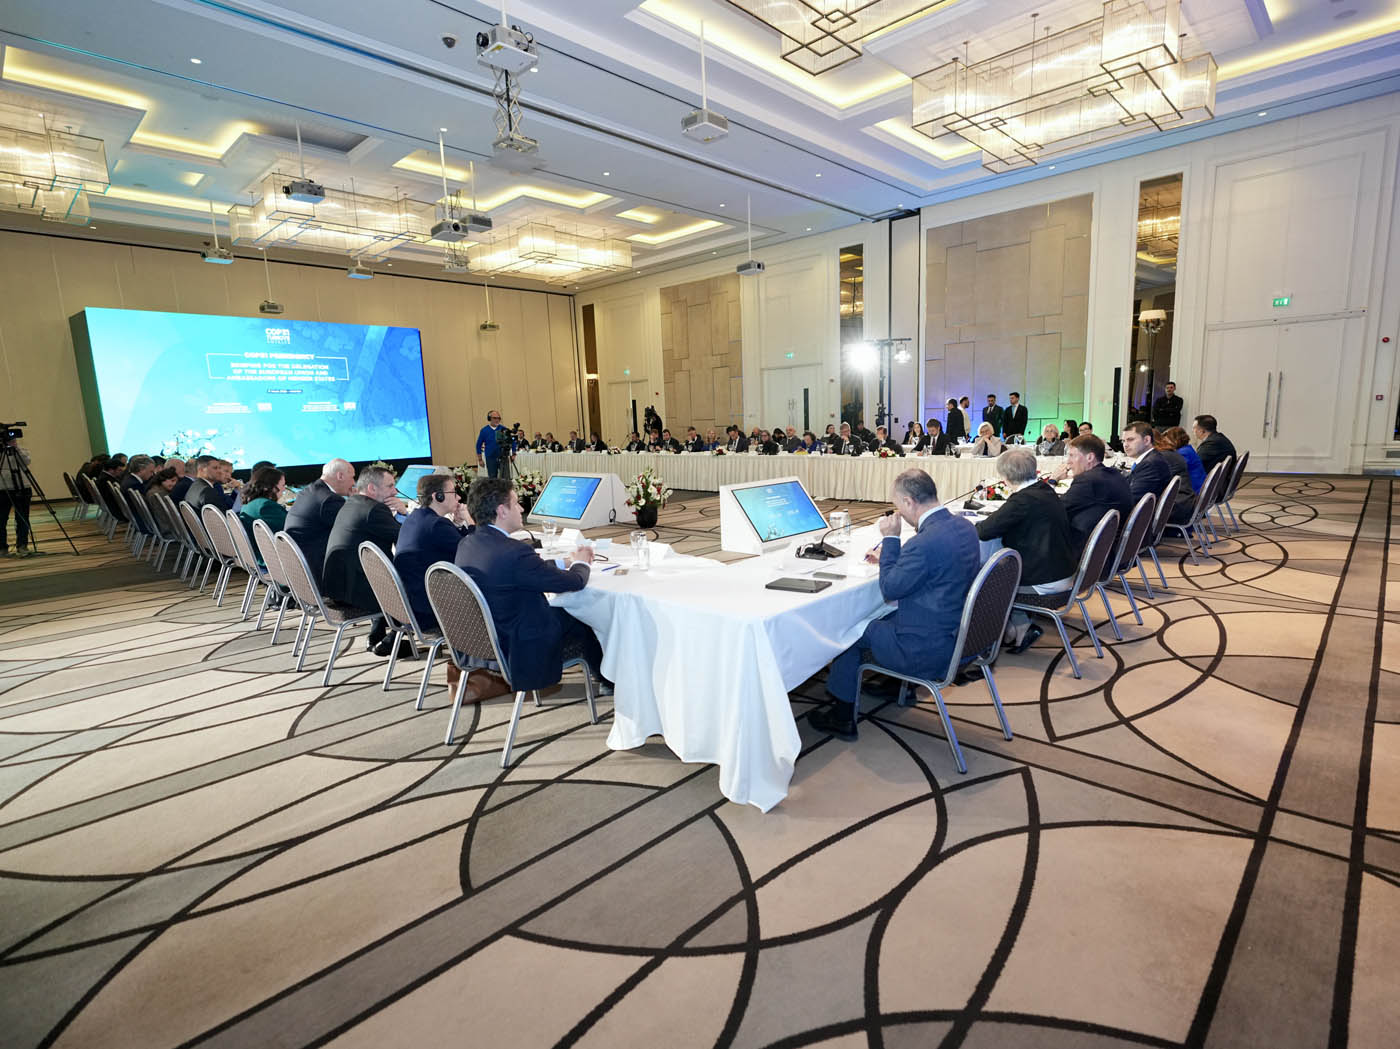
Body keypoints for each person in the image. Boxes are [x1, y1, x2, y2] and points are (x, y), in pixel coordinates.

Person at [812, 469, 980, 740]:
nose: (898, 512)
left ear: (909, 502)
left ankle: (841, 716)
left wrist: (891, 540)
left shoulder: (923, 543)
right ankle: (899, 685)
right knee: (883, 617)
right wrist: (897, 560)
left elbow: (890, 589)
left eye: (898, 505)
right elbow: (936, 566)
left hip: (926, 649)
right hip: (962, 634)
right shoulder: (964, 527)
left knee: (850, 628)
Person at [455, 476, 609, 694]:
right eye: (516, 503)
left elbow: (521, 571)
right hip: (520, 642)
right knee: (585, 615)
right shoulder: (514, 552)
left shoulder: (468, 543)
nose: (521, 509)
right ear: (502, 511)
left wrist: (563, 562)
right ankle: (609, 680)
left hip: (483, 637)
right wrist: (581, 563)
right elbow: (573, 582)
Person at [976, 448, 1078, 653]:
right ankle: (1021, 628)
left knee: (982, 582)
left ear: (1005, 477)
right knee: (999, 568)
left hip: (1046, 580)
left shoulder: (1022, 500)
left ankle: (987, 640)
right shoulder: (1045, 489)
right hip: (1065, 571)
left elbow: (983, 531)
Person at [322, 465, 402, 656]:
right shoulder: (374, 510)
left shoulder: (352, 503)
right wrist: (404, 513)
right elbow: (407, 538)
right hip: (357, 592)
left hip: (339, 588)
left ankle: (378, 633)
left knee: (383, 572)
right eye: (390, 486)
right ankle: (394, 638)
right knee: (414, 580)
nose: (395, 491)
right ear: (372, 488)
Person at [284, 458, 355, 587]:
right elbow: (356, 527)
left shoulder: (309, 491)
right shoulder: (329, 500)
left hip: (297, 568)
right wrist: (359, 500)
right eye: (352, 477)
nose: (353, 483)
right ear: (340, 476)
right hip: (316, 573)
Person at [1057, 433, 1134, 553]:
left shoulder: (1087, 481)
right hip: (1112, 547)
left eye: (1072, 456)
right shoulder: (1113, 474)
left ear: (1090, 457)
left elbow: (1055, 510)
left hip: (1090, 551)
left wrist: (1052, 481)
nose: (1068, 461)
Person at [1121, 422, 1193, 524]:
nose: (1125, 445)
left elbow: (1133, 499)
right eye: (1123, 441)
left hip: (1144, 521)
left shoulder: (1150, 464)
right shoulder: (1152, 458)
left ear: (1147, 440)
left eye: (1130, 440)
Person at [238, 466, 289, 552]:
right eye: (283, 485)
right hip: (271, 556)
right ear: (270, 486)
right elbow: (290, 530)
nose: (284, 489)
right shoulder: (266, 506)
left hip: (254, 554)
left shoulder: (248, 504)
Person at [0, 430, 33, 556]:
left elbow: (26, 461)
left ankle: (22, 545)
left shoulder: (21, 450)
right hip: (3, 489)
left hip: (22, 487)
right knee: (1, 519)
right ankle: (2, 547)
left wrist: (15, 448)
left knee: (23, 517)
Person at [1163, 426, 1207, 491]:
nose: (1165, 445)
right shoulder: (1188, 449)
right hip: (1198, 486)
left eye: (1167, 442)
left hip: (1194, 490)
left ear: (1176, 440)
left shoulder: (1182, 453)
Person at [475, 410, 512, 478]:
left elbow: (512, 441)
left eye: (499, 418)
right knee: (492, 478)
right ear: (489, 419)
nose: (497, 420)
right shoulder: (484, 430)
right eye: (495, 418)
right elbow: (478, 445)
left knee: (505, 478)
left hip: (503, 457)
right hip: (491, 458)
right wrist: (480, 459)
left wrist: (514, 453)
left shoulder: (503, 429)